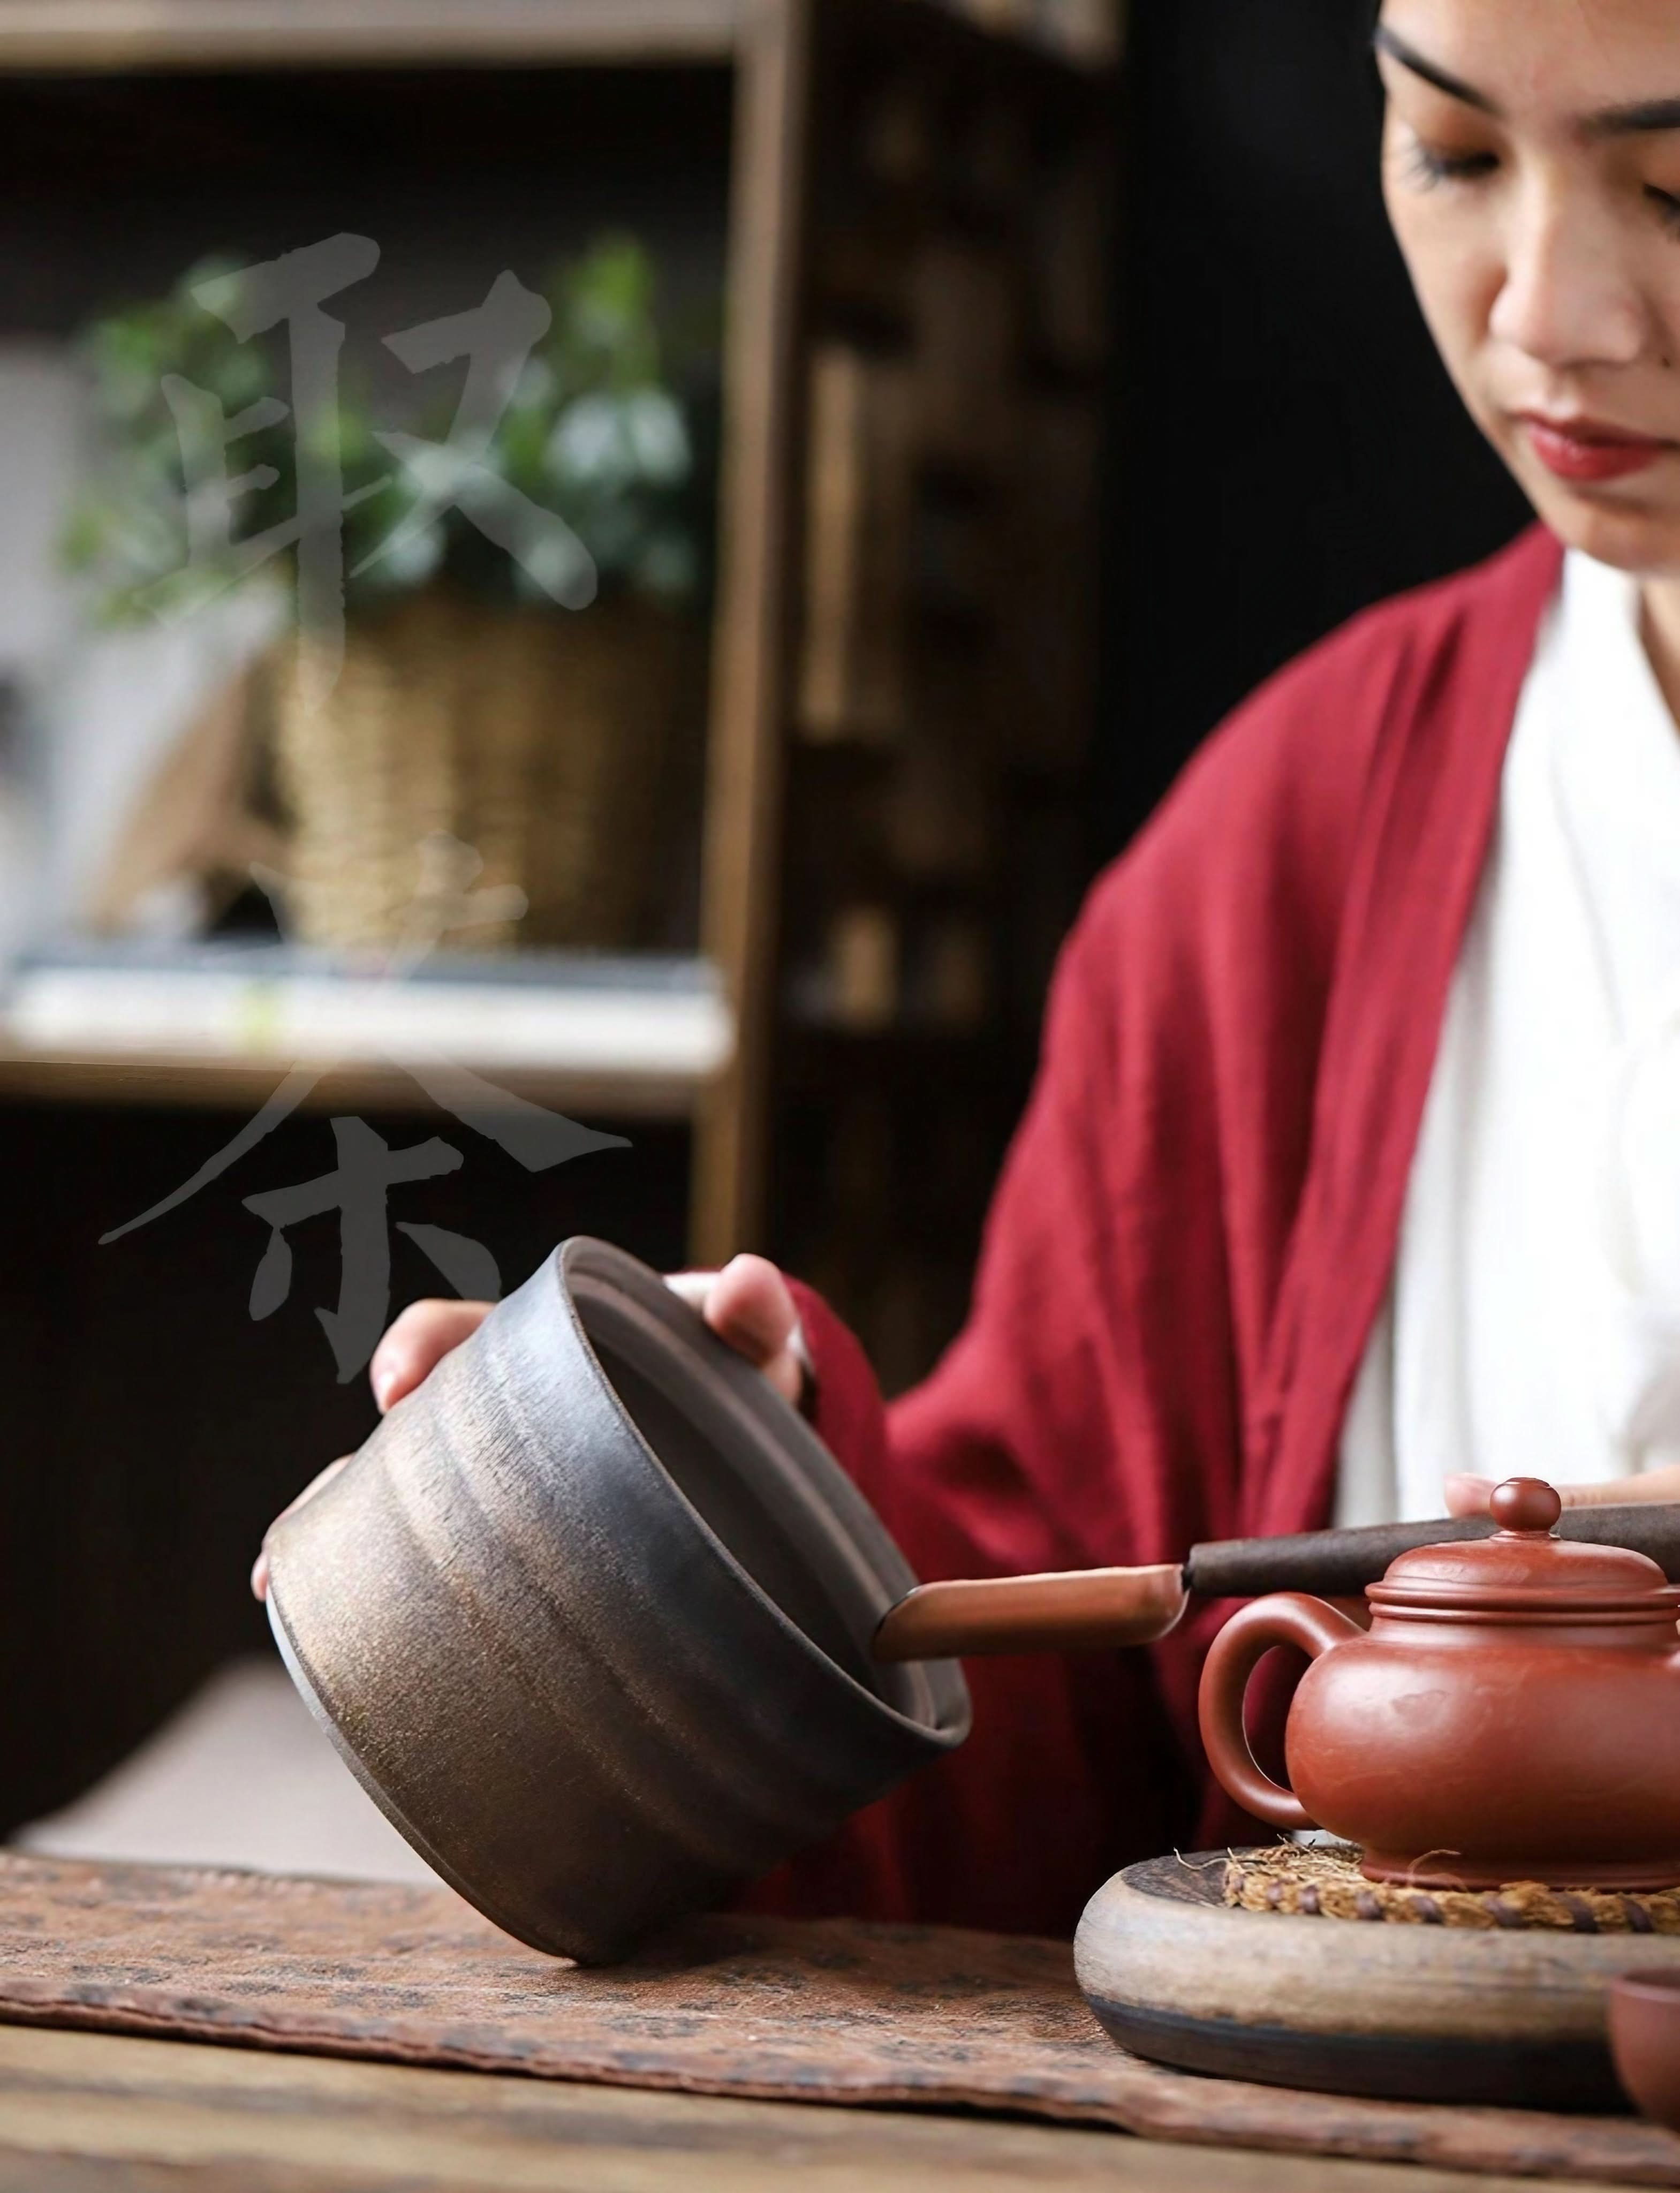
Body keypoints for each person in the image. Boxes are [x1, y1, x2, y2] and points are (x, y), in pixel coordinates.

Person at [258, 0, 1680, 1938]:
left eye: (1674, 183)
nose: (1548, 313)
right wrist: (763, 1516)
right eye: (1450, 153)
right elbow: (1092, 1703)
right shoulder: (1286, 854)